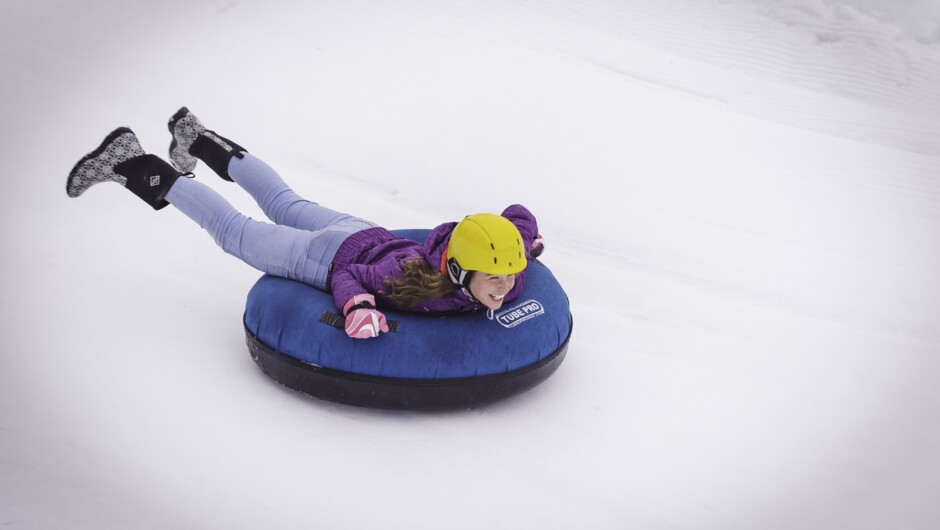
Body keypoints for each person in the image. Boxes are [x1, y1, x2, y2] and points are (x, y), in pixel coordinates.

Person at [66, 108, 544, 339]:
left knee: (281, 199)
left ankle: (196, 137)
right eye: (493, 278)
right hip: (330, 256)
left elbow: (516, 218)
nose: (504, 287)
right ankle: (130, 161)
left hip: (362, 230)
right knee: (234, 230)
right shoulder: (411, 281)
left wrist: (525, 241)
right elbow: (350, 275)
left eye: (507, 275)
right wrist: (357, 306)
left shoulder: (507, 264)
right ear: (458, 271)